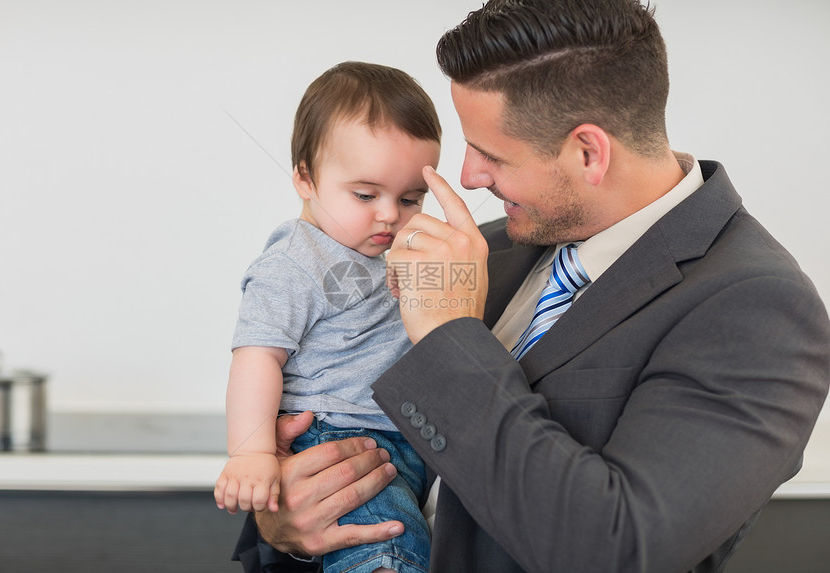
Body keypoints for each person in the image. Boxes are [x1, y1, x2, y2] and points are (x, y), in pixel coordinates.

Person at [234, 1, 830, 572]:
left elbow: (617, 552)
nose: (467, 177)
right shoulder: (481, 248)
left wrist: (450, 337)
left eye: (491, 153)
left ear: (588, 152)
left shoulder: (761, 310)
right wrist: (288, 523)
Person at [216, 61, 441, 573]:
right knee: (386, 550)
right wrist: (249, 453)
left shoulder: (378, 257)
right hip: (337, 436)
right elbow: (256, 359)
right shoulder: (294, 262)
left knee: (398, 543)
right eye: (366, 195)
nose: (389, 214)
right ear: (304, 177)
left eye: (410, 198)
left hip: (393, 438)